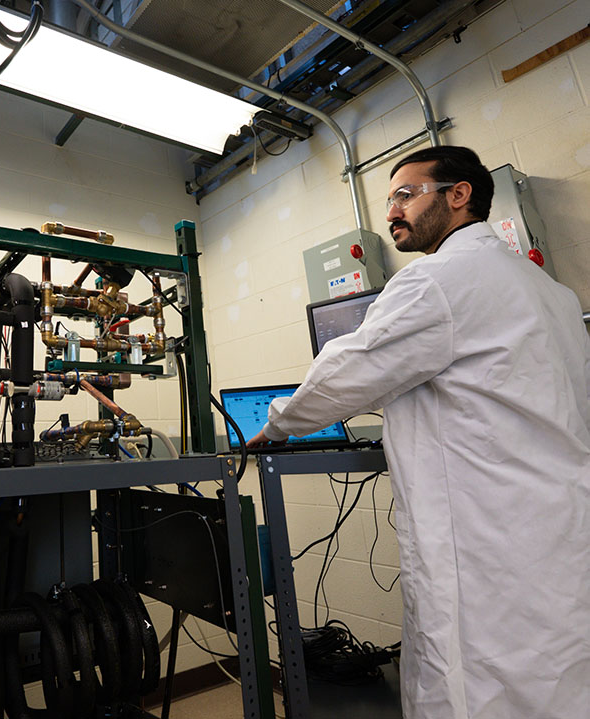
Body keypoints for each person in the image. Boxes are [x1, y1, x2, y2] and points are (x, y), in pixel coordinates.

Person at [246, 145, 590, 719]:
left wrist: (277, 424)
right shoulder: (553, 293)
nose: (391, 212)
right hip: (561, 520)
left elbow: (347, 373)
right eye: (389, 200)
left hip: (486, 530)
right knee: (558, 669)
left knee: (472, 674)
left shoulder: (435, 280)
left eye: (406, 195)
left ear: (459, 195)